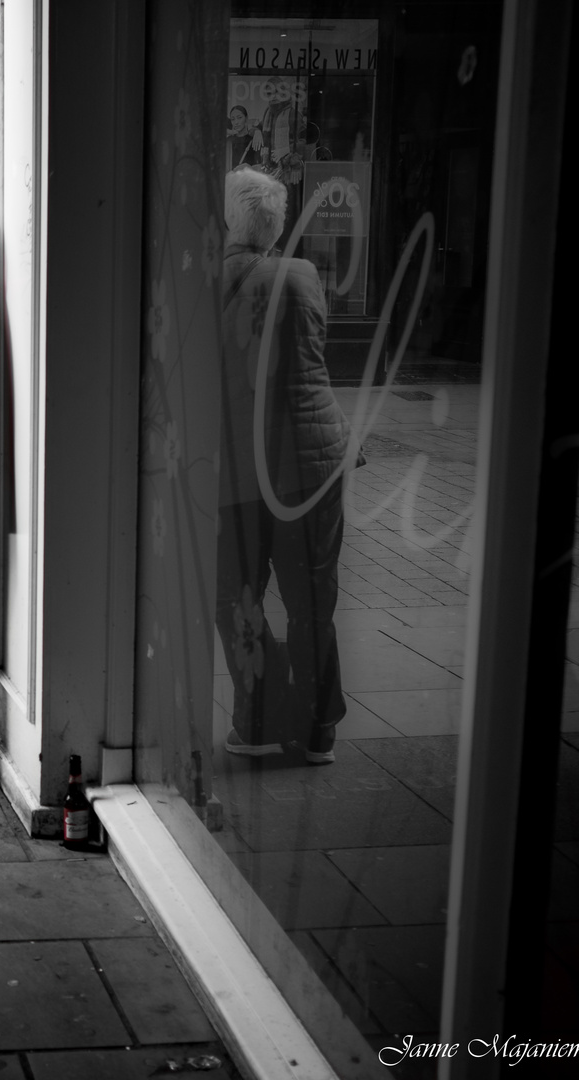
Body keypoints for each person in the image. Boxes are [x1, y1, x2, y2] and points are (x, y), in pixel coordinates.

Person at [215, 166, 351, 767]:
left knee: (237, 598)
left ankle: (261, 714)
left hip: (244, 472)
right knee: (311, 600)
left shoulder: (210, 282)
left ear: (227, 221)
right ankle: (318, 728)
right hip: (316, 461)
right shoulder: (305, 274)